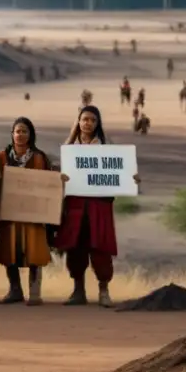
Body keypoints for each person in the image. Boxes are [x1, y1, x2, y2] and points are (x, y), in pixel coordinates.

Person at [55, 105, 139, 308]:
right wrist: (61, 176)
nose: (88, 123)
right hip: (75, 205)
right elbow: (61, 173)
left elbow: (119, 171)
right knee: (75, 248)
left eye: (92, 120)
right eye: (84, 119)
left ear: (97, 123)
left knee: (100, 248)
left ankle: (103, 291)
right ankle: (78, 291)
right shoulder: (71, 147)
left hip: (99, 206)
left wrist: (131, 177)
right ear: (78, 122)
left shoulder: (105, 147)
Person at [0, 116, 57, 306]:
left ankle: (35, 291)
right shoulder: (2, 156)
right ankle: (15, 290)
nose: (20, 135)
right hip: (9, 213)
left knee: (34, 250)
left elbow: (47, 184)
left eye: (24, 131)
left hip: (33, 215)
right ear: (12, 134)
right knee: (8, 250)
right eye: (17, 131)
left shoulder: (39, 157)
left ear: (30, 135)